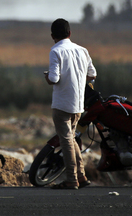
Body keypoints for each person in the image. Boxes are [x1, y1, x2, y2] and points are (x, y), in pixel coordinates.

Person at [44, 18, 97, 190]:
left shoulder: (55, 51)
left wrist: (47, 78)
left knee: (65, 140)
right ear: (70, 33)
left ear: (53, 36)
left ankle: (71, 179)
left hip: (61, 104)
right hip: (78, 104)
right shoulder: (82, 50)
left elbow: (53, 78)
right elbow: (92, 74)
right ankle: (81, 175)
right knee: (71, 138)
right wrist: (78, 79)